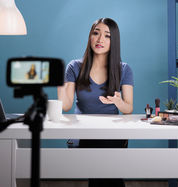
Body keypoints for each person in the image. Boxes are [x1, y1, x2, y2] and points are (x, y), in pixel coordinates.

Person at [57, 17, 134, 187]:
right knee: (105, 169)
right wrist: (59, 84)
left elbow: (128, 108)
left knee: (103, 166)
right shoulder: (74, 67)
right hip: (83, 133)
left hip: (111, 134)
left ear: (114, 41)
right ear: (90, 37)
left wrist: (118, 102)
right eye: (96, 33)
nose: (100, 40)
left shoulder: (124, 69)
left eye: (107, 36)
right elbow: (66, 105)